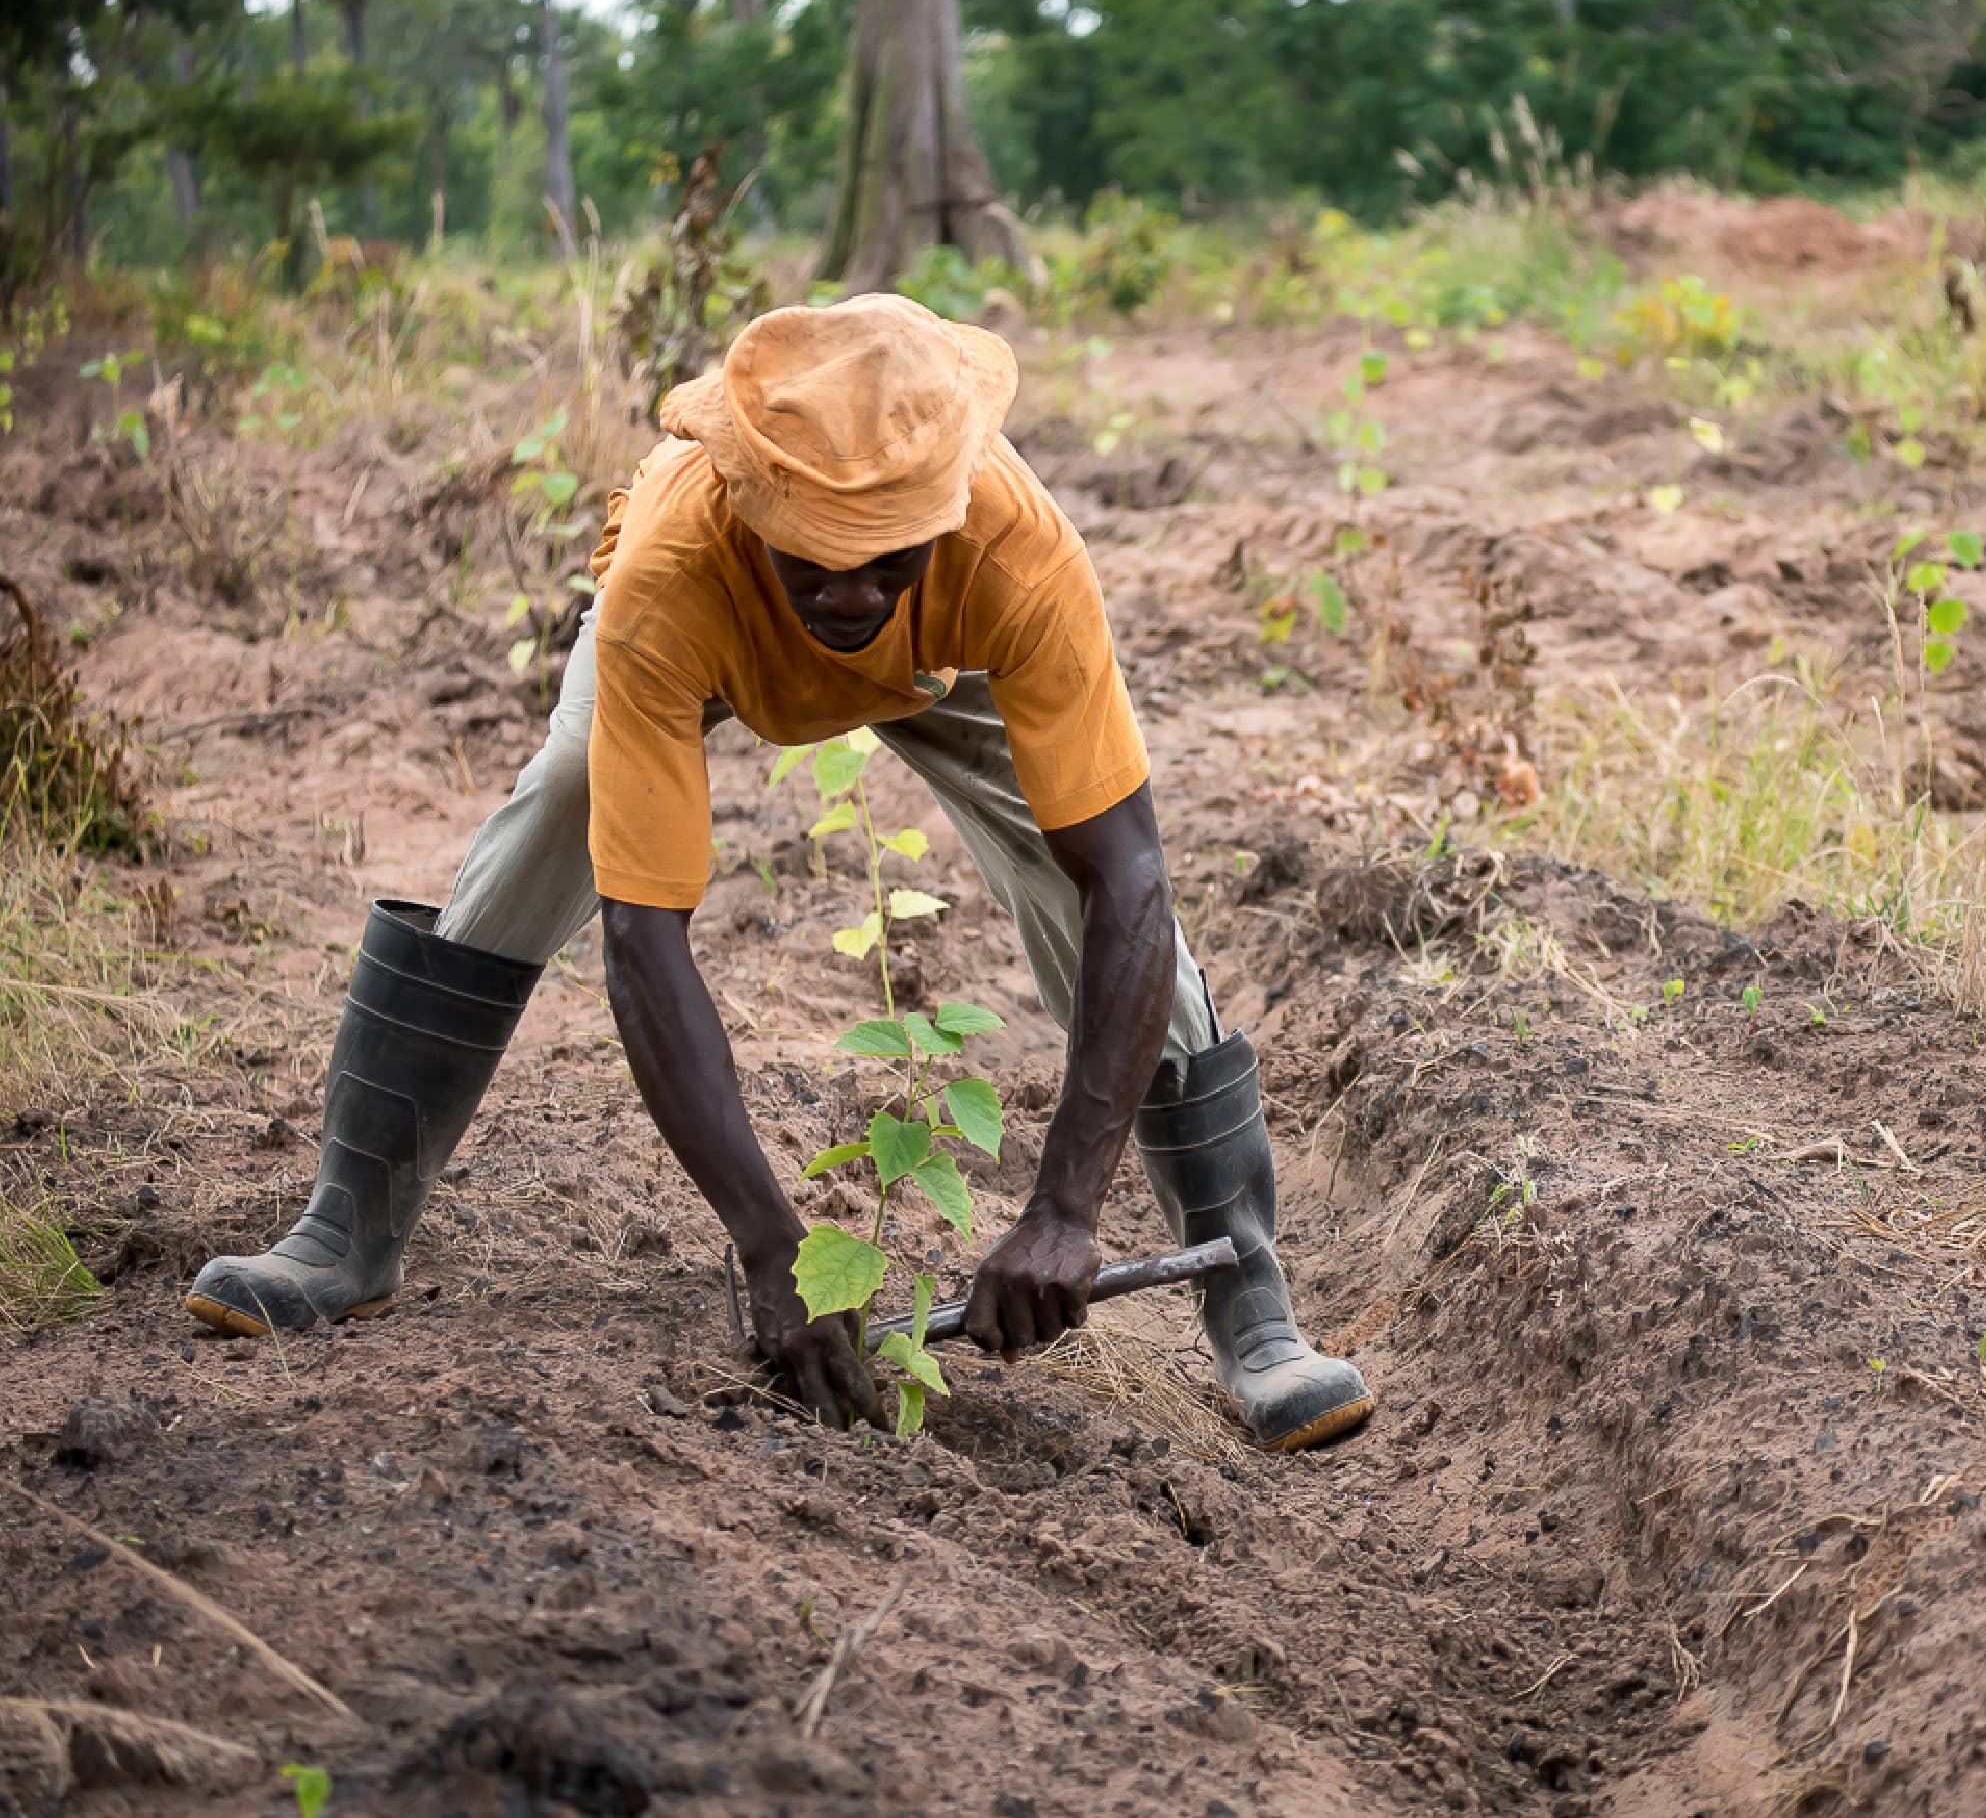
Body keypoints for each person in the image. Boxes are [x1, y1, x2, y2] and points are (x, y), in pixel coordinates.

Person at [186, 295, 1374, 1453]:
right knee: (565, 796)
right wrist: (769, 1245)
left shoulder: (1010, 547)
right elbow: (644, 938)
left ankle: (1250, 1303)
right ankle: (349, 1223)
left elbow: (1129, 877)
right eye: (814, 556)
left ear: (945, 508)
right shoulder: (674, 571)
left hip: (939, 662)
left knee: (1090, 890)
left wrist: (1065, 1210)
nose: (851, 589)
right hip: (709, 640)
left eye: (887, 555)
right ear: (752, 507)